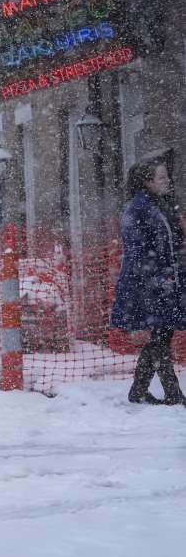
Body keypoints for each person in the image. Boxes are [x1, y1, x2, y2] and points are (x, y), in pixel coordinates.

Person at [111, 159, 186, 406]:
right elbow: (138, 252)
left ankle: (139, 391)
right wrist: (158, 278)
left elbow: (171, 243)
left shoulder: (159, 204)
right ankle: (172, 393)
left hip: (165, 282)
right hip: (147, 286)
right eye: (161, 177)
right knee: (160, 336)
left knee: (162, 335)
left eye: (166, 176)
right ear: (147, 182)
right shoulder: (138, 209)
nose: (167, 181)